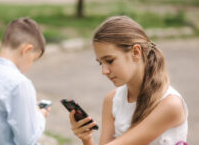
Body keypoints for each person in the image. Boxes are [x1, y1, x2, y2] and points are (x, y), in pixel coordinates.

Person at [69, 16, 188, 145]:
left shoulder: (170, 104)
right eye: (100, 63)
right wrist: (87, 138)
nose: (104, 71)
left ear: (136, 52)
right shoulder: (112, 100)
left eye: (110, 61)